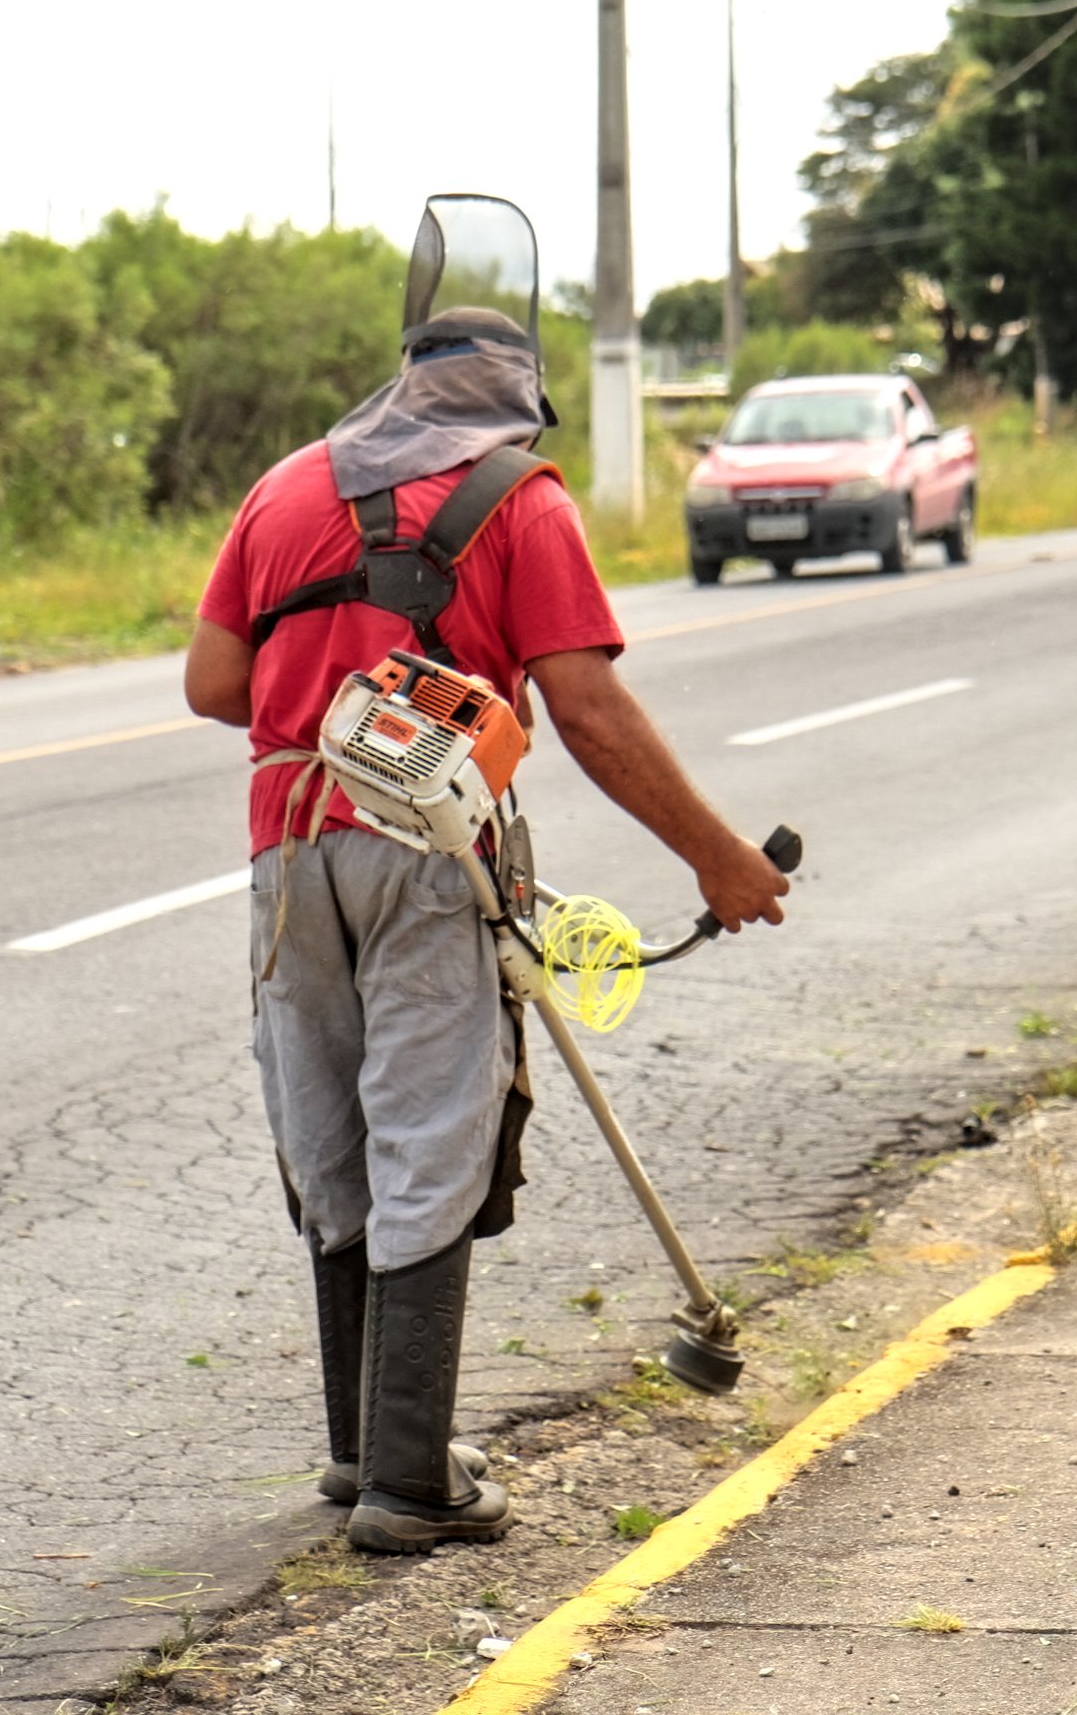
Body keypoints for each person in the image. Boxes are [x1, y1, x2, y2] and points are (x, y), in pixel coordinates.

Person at [183, 197, 789, 1554]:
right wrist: (720, 858)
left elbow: (214, 684)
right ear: (514, 405)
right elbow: (588, 706)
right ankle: (412, 1484)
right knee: (432, 1124)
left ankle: (359, 1454)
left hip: (286, 842)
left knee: (328, 1133)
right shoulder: (519, 499)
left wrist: (326, 682)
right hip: (430, 850)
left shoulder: (286, 487)